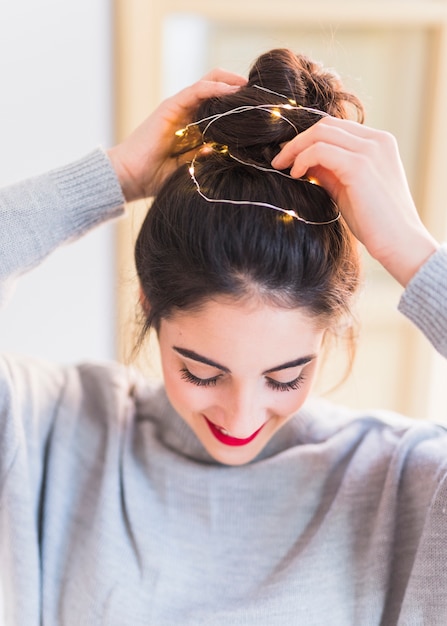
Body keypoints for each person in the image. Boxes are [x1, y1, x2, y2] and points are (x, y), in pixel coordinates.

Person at [0, 48, 446, 625]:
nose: (240, 419)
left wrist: (414, 252)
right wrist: (115, 175)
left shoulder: (403, 481)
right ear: (150, 308)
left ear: (329, 332)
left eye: (286, 378)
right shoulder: (57, 431)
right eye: (202, 372)